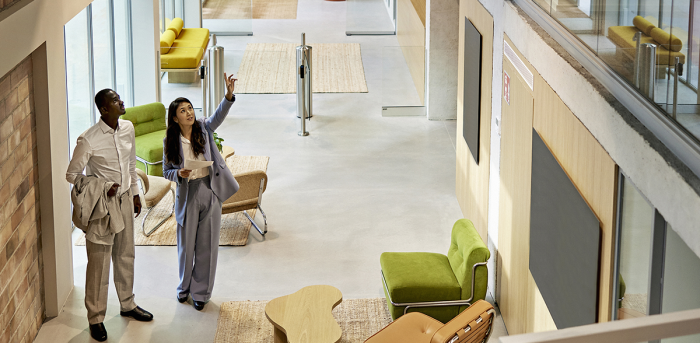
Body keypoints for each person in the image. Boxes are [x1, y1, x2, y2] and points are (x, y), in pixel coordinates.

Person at [66, 89, 153, 342]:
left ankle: (127, 304)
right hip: (102, 206)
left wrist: (135, 193)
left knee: (126, 254)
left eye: (119, 98)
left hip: (125, 199)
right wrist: (102, 186)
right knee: (99, 263)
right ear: (104, 109)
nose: (121, 102)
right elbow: (71, 175)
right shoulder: (88, 139)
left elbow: (129, 165)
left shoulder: (127, 128)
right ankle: (95, 318)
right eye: (115, 101)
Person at [163, 73, 239, 311]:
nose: (189, 112)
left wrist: (228, 95)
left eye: (190, 108)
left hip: (210, 189)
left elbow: (219, 116)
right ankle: (183, 288)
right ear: (175, 119)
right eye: (183, 111)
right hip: (188, 193)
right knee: (186, 246)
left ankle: (201, 292)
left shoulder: (204, 128)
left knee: (207, 244)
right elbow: (166, 171)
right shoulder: (170, 142)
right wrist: (179, 174)